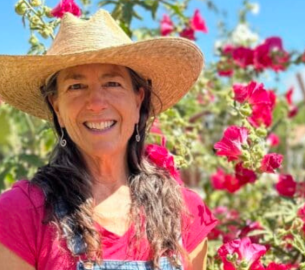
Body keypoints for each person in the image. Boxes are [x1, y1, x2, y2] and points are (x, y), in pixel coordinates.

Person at [0, 9, 217, 270]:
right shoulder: (20, 214)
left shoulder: (185, 213)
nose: (96, 103)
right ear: (56, 106)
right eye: (76, 86)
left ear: (138, 101)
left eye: (112, 83)